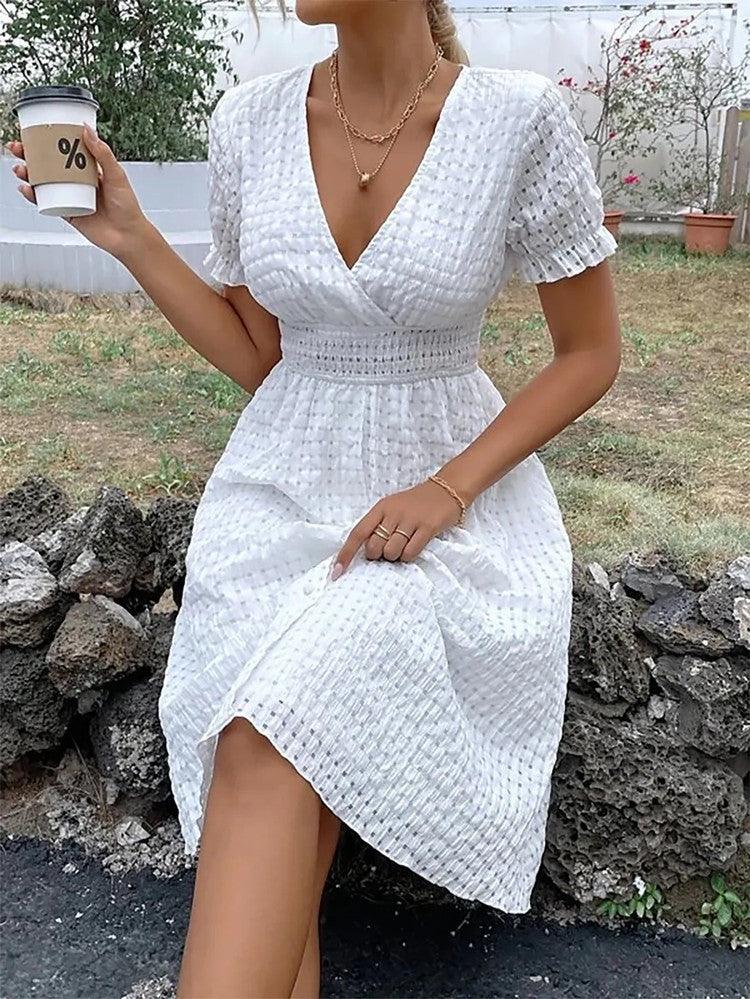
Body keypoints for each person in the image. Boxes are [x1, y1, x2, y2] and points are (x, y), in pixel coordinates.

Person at [7, 1, 621, 995]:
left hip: (441, 513)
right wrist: (128, 236)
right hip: (275, 497)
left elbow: (590, 354)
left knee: (266, 736)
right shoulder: (250, 121)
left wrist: (449, 488)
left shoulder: (516, 118)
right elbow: (265, 359)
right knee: (267, 764)